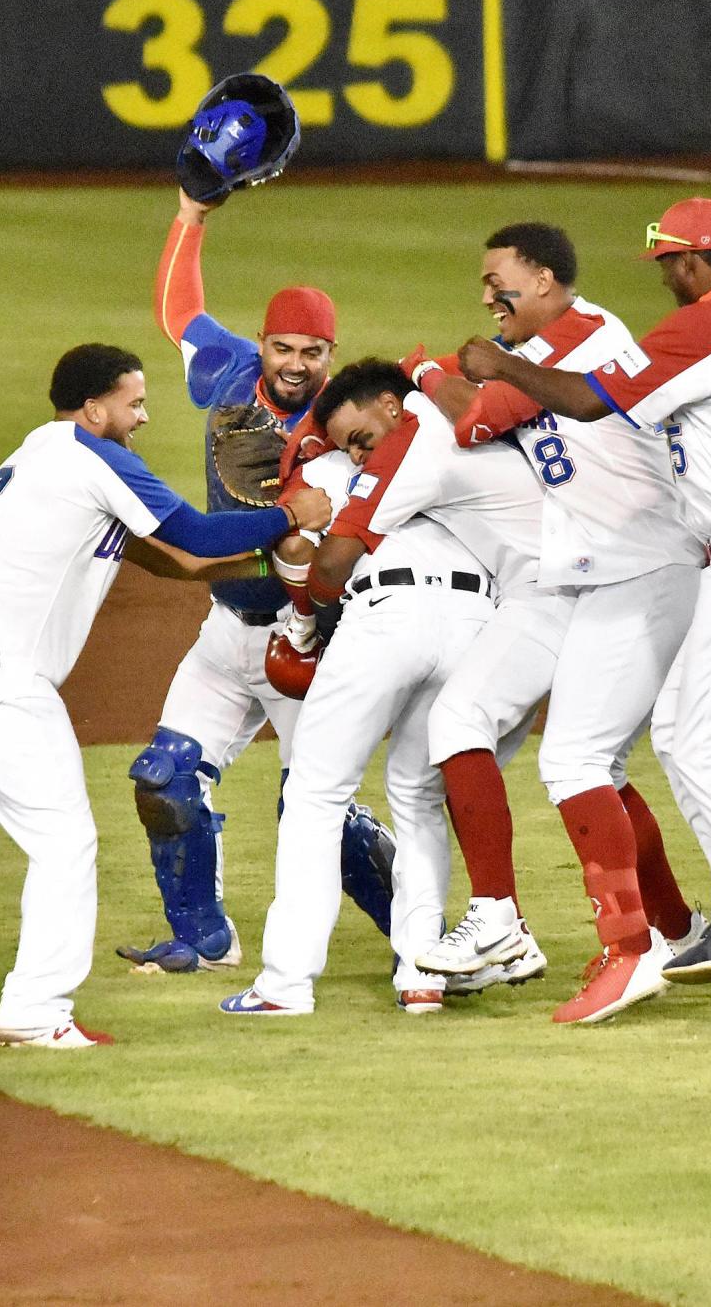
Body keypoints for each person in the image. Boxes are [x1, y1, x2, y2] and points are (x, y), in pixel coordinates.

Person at [457, 197, 711, 1028]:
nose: (668, 280)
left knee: (703, 750)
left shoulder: (709, 324)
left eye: (672, 265)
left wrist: (500, 367)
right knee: (681, 734)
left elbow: (592, 399)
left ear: (694, 262)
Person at [0, 344, 331, 1048]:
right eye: (133, 402)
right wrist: (288, 515)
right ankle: (36, 1010)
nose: (143, 415)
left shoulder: (40, 457)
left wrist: (262, 561)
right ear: (94, 406)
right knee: (66, 842)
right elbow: (191, 529)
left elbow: (170, 556)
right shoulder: (91, 456)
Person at [405, 222, 707, 1025]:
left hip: (649, 571)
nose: (486, 294)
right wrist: (448, 376)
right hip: (591, 574)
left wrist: (428, 371)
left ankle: (631, 943)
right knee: (480, 721)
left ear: (543, 279)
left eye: (497, 277)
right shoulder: (547, 353)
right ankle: (665, 929)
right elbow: (483, 413)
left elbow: (474, 418)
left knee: (577, 757)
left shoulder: (587, 336)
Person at [119, 187, 397, 976]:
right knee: (165, 780)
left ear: (331, 357)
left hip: (309, 646)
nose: (295, 365)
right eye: (284, 348)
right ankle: (203, 939)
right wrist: (190, 213)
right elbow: (178, 310)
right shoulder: (230, 370)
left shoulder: (347, 430)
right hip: (225, 633)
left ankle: (419, 935)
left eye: (313, 352)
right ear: (263, 344)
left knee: (320, 816)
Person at [221, 361, 528, 1015]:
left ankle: (284, 984)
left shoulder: (326, 471)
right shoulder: (453, 442)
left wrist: (303, 628)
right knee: (418, 796)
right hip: (478, 623)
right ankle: (422, 974)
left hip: (384, 615)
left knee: (314, 792)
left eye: (358, 435)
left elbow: (306, 558)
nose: (357, 448)